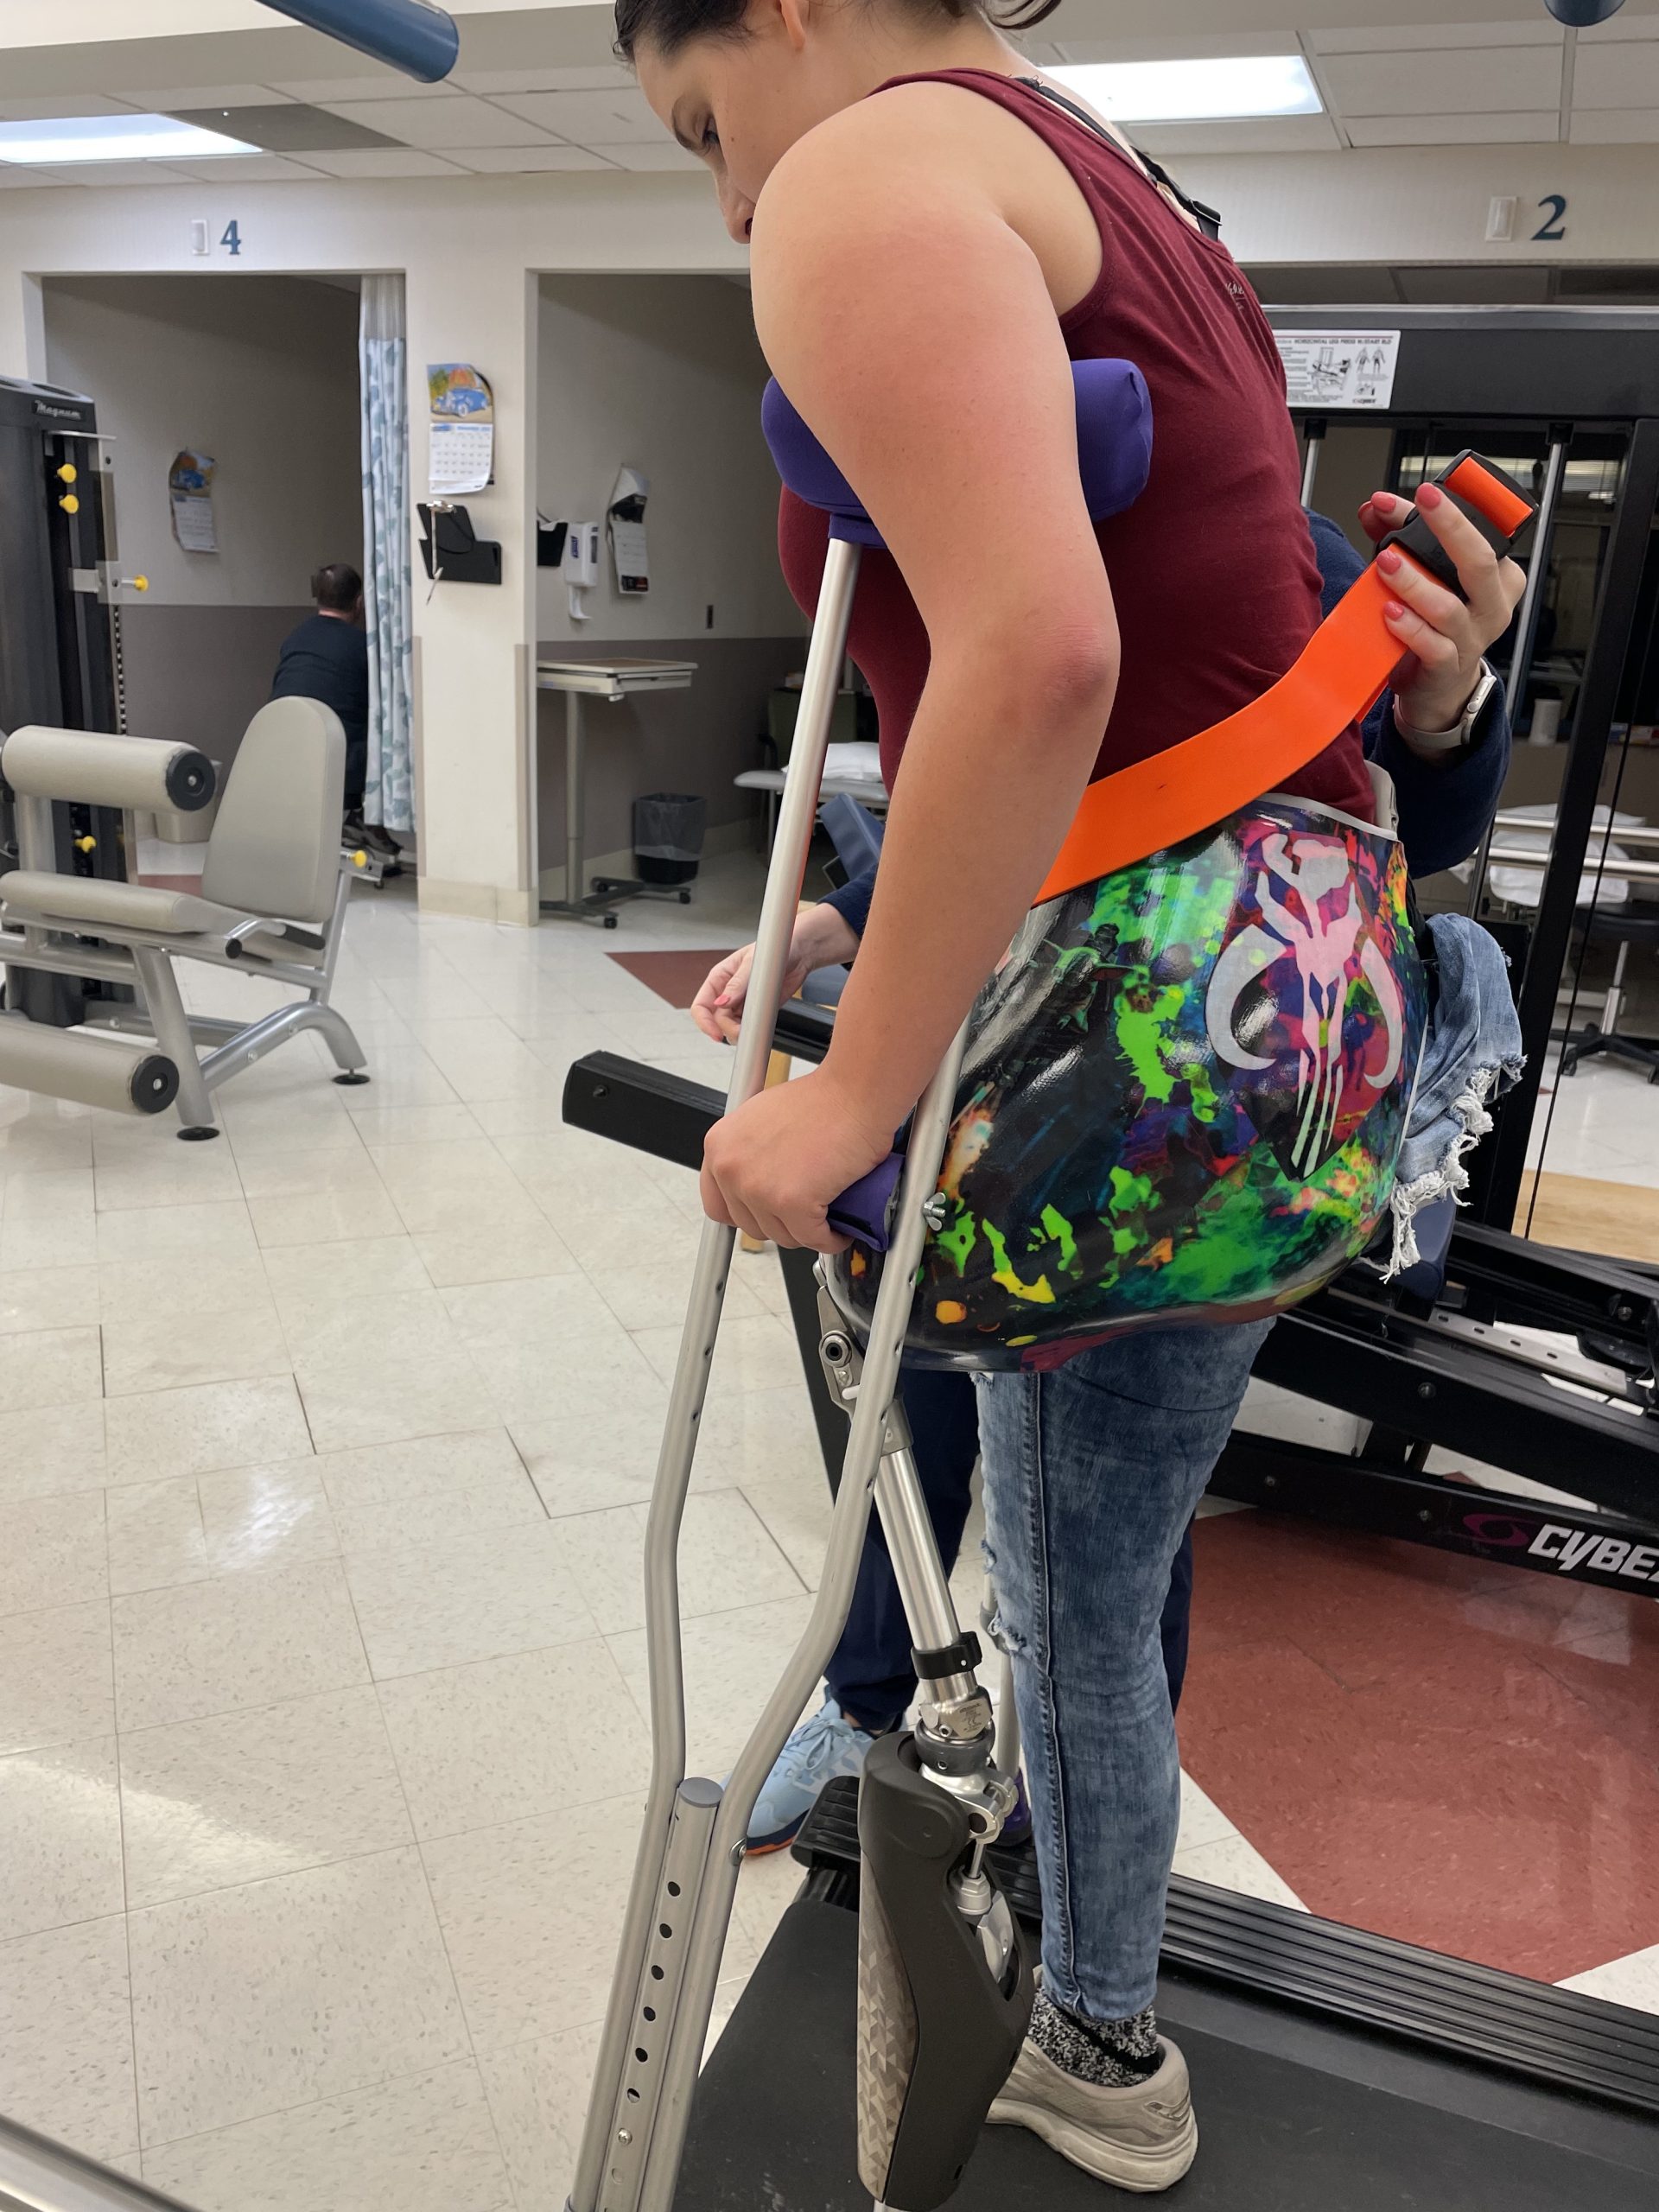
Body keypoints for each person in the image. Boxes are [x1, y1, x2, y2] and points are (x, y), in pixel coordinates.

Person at [622, 0, 1525, 2188]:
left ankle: (1104, 2049)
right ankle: (1019, 1875)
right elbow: (1171, 712)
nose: (736, 193)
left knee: (1071, 1601)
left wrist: (846, 1098)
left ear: (788, 13)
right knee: (1083, 1580)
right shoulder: (1138, 203)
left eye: (701, 121)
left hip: (1124, 1059)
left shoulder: (868, 175)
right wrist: (858, 938)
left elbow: (1037, 660)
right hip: (1293, 1026)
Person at [702, 501, 1521, 1857]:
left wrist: (1444, 705)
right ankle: (864, 1705)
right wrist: (842, 920)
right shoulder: (972, 510)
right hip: (973, 1066)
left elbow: (1414, 829)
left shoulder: (1285, 552)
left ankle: (1077, 1789)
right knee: (909, 1405)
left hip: (1194, 1130)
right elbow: (974, 787)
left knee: (1120, 1491)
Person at [270, 562, 397, 864]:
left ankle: (352, 822)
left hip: (282, 753)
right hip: (339, 762)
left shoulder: (295, 639)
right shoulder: (362, 647)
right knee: (386, 735)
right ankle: (365, 817)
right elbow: (378, 709)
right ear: (359, 602)